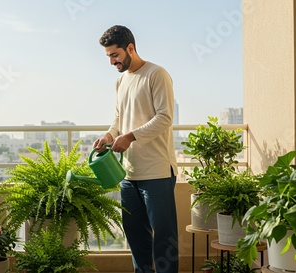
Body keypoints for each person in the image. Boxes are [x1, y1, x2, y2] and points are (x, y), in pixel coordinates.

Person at [93, 25, 179, 273]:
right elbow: (119, 118)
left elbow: (165, 117)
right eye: (108, 56)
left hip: (157, 172)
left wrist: (130, 137)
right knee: (136, 239)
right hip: (128, 174)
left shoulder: (157, 74)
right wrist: (110, 135)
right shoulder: (121, 81)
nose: (111, 61)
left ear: (130, 48)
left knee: (163, 239)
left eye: (114, 55)